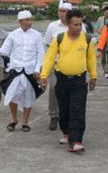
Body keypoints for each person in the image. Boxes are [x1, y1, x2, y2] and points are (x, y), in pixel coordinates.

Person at [40, 9, 97, 153]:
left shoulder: (87, 39)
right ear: (67, 24)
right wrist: (44, 76)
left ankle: (76, 140)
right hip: (62, 80)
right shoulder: (59, 39)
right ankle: (66, 133)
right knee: (64, 111)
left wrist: (94, 76)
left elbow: (91, 59)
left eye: (80, 24)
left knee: (77, 110)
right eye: (75, 25)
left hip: (79, 80)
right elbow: (49, 58)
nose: (78, 28)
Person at [42, 1, 88, 131]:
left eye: (65, 11)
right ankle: (54, 115)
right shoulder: (52, 26)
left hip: (75, 67)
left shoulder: (80, 27)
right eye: (60, 11)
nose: (62, 14)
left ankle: (69, 117)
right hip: (57, 65)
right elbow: (47, 45)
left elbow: (85, 45)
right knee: (53, 89)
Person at [0, 10, 45, 132]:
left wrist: (37, 68)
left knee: (28, 95)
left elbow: (40, 53)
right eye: (27, 20)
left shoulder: (37, 35)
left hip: (30, 69)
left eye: (31, 19)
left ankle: (25, 122)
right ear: (20, 22)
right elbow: (4, 51)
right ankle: (13, 119)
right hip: (16, 68)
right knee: (11, 94)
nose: (30, 22)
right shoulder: (12, 35)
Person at [94, 6, 108, 79]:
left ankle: (107, 71)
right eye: (105, 12)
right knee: (103, 57)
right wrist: (102, 33)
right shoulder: (100, 19)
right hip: (101, 40)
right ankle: (105, 70)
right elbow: (96, 28)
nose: (107, 14)